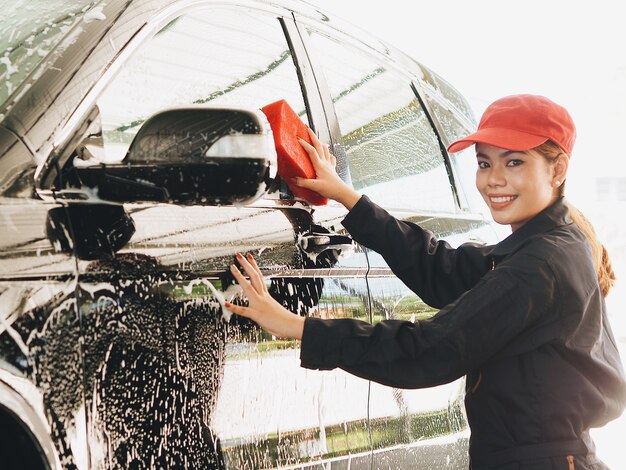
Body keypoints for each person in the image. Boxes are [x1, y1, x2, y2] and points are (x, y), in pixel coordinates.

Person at [224, 94, 626, 469]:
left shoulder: (543, 262)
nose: (494, 180)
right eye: (485, 163)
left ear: (557, 170)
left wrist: (297, 327)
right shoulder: (545, 245)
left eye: (514, 162)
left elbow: (434, 350)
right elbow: (442, 270)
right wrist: (349, 198)